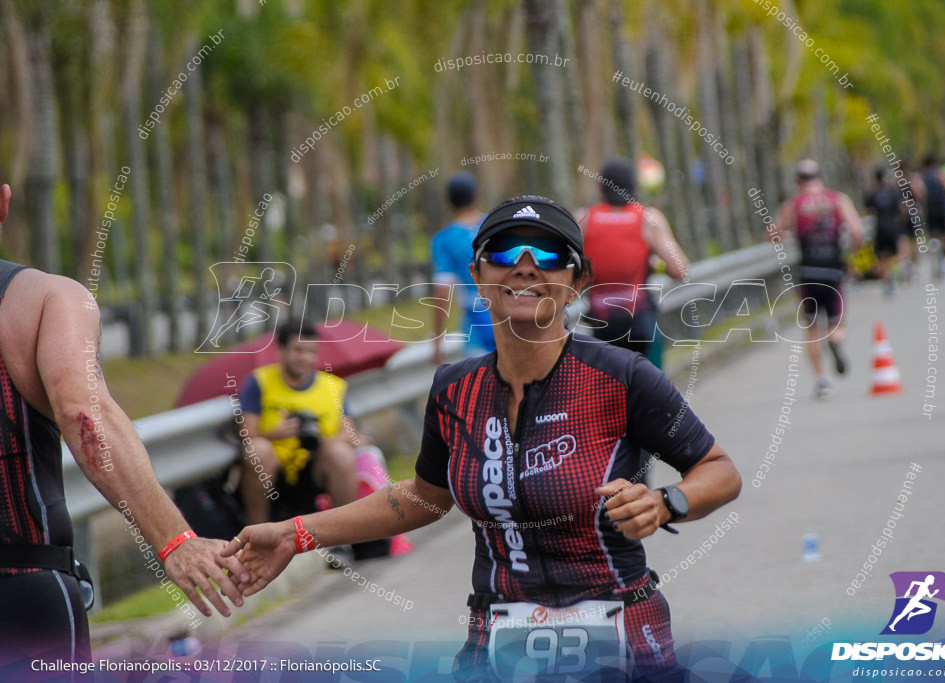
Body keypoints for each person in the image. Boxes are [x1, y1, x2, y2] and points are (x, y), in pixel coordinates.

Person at [223, 195, 741, 681]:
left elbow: (719, 470)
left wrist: (665, 502)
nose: (524, 264)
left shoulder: (621, 377)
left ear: (577, 280)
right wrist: (296, 533)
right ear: (476, 276)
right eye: (502, 251)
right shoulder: (454, 390)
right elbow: (425, 497)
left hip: (622, 625)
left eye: (549, 253)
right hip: (496, 637)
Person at [0, 183, 248, 666]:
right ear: (4, 202)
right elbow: (84, 414)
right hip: (22, 588)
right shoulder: (43, 300)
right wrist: (175, 540)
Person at [238, 320, 359, 524]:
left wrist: (321, 439)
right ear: (281, 350)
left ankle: (343, 537)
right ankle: (258, 532)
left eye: (311, 351)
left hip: (316, 466)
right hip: (275, 468)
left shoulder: (334, 386)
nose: (305, 358)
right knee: (257, 449)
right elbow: (246, 433)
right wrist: (276, 433)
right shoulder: (259, 382)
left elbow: (349, 433)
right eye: (298, 350)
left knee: (340, 453)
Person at [575, 157, 689, 360]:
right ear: (635, 185)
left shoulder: (584, 219)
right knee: (651, 387)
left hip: (602, 325)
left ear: (601, 188)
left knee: (609, 387)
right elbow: (680, 270)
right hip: (640, 321)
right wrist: (655, 265)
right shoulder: (647, 218)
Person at [776, 160, 864, 399]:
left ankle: (822, 380)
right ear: (820, 178)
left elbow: (772, 233)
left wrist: (791, 234)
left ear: (797, 182)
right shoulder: (837, 200)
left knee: (812, 328)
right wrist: (853, 254)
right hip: (833, 271)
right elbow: (857, 231)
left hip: (808, 274)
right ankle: (836, 341)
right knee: (836, 323)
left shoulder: (794, 204)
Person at [431, 172, 496, 364]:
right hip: (510, 317)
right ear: (477, 196)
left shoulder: (444, 240)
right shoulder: (495, 226)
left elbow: (443, 290)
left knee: (483, 389)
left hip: (476, 324)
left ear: (447, 201)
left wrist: (437, 341)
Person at [864, 166, 904, 296]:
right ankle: (892, 277)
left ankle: (886, 282)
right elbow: (901, 209)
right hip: (891, 226)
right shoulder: (893, 192)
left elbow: (868, 212)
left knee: (881, 257)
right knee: (894, 255)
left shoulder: (872, 193)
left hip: (879, 227)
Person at [921, 154, 945, 277]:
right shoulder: (940, 173)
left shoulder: (923, 176)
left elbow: (921, 193)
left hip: (930, 210)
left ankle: (936, 262)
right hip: (942, 209)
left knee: (933, 236)